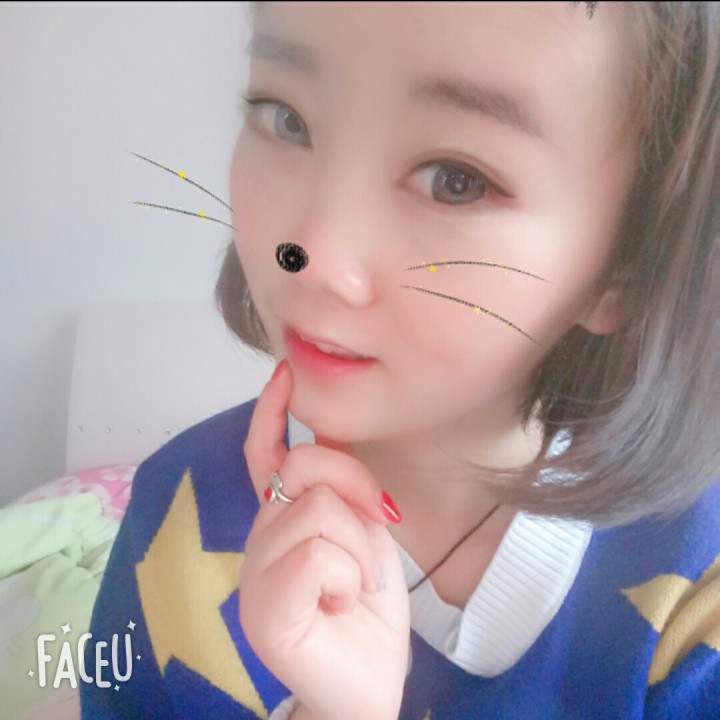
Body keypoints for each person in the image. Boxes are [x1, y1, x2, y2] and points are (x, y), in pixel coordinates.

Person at [80, 2, 719, 718]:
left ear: (625, 266)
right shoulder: (173, 516)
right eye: (286, 118)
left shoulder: (695, 599)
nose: (310, 257)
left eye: (455, 178)